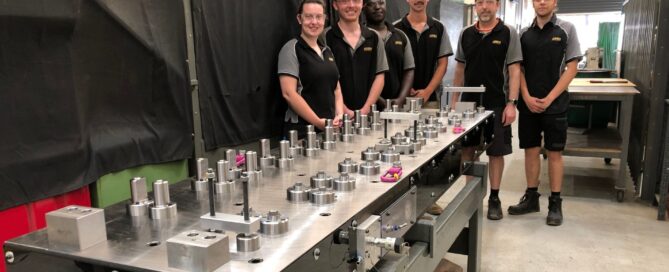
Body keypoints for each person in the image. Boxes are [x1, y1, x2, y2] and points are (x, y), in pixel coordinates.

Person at [509, 0, 581, 226]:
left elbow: (572, 68)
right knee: (530, 150)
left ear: (554, 2)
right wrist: (527, 97)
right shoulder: (523, 33)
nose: (541, 2)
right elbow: (517, 68)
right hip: (529, 103)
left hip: (556, 104)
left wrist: (550, 98)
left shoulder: (566, 29)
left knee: (554, 153)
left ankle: (555, 203)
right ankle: (531, 198)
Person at [451, 0, 522, 220]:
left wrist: (512, 103)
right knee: (467, 149)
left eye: (489, 2)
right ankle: (470, 198)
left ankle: (494, 197)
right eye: (480, 2)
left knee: (496, 152)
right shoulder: (465, 34)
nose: (484, 7)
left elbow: (515, 70)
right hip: (468, 102)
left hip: (497, 101)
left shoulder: (508, 33)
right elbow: (460, 68)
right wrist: (454, 101)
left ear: (497, 5)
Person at [278, 0, 345, 136]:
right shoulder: (291, 49)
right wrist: (319, 123)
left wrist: (339, 114)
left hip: (329, 129)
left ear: (325, 19)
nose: (314, 22)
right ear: (299, 19)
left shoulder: (327, 51)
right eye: (308, 16)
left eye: (319, 17)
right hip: (302, 132)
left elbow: (336, 88)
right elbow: (289, 94)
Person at [323, 0, 389, 116]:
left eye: (356, 1)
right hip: (334, 117)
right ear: (335, 5)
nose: (351, 5)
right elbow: (323, 80)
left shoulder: (374, 37)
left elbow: (380, 76)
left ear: (362, 4)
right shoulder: (324, 37)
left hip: (369, 117)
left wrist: (365, 110)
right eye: (345, 1)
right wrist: (343, 109)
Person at [394, 0, 453, 107]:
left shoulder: (439, 28)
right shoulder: (395, 29)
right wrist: (406, 89)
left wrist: (427, 91)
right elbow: (392, 66)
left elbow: (442, 64)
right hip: (401, 100)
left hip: (431, 99)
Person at [363, 0, 415, 109]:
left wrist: (400, 99)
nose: (377, 7)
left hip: (397, 106)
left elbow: (409, 69)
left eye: (381, 2)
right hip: (366, 107)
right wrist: (378, 99)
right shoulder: (359, 37)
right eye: (371, 4)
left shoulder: (401, 36)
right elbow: (359, 74)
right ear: (363, 7)